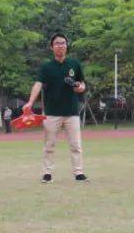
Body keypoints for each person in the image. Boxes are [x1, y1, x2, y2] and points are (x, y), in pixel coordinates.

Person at [23, 33, 87, 183]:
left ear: (67, 46)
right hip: (51, 113)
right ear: (52, 47)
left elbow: (82, 84)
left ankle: (79, 173)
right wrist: (30, 103)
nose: (61, 46)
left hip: (72, 112)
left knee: (76, 146)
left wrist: (80, 88)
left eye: (63, 43)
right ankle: (47, 174)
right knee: (49, 145)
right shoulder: (46, 67)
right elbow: (38, 84)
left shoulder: (74, 64)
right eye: (57, 43)